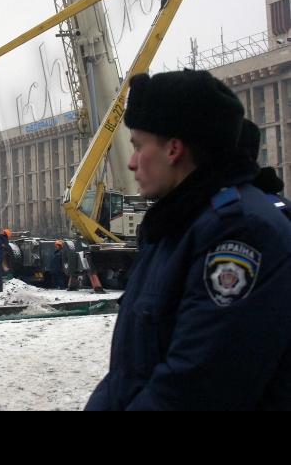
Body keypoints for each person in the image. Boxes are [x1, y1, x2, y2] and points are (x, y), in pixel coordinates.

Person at [86, 70, 291, 411]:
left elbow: (197, 386)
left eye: (138, 146)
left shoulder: (241, 232)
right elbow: (129, 373)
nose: (132, 162)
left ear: (174, 149)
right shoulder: (176, 226)